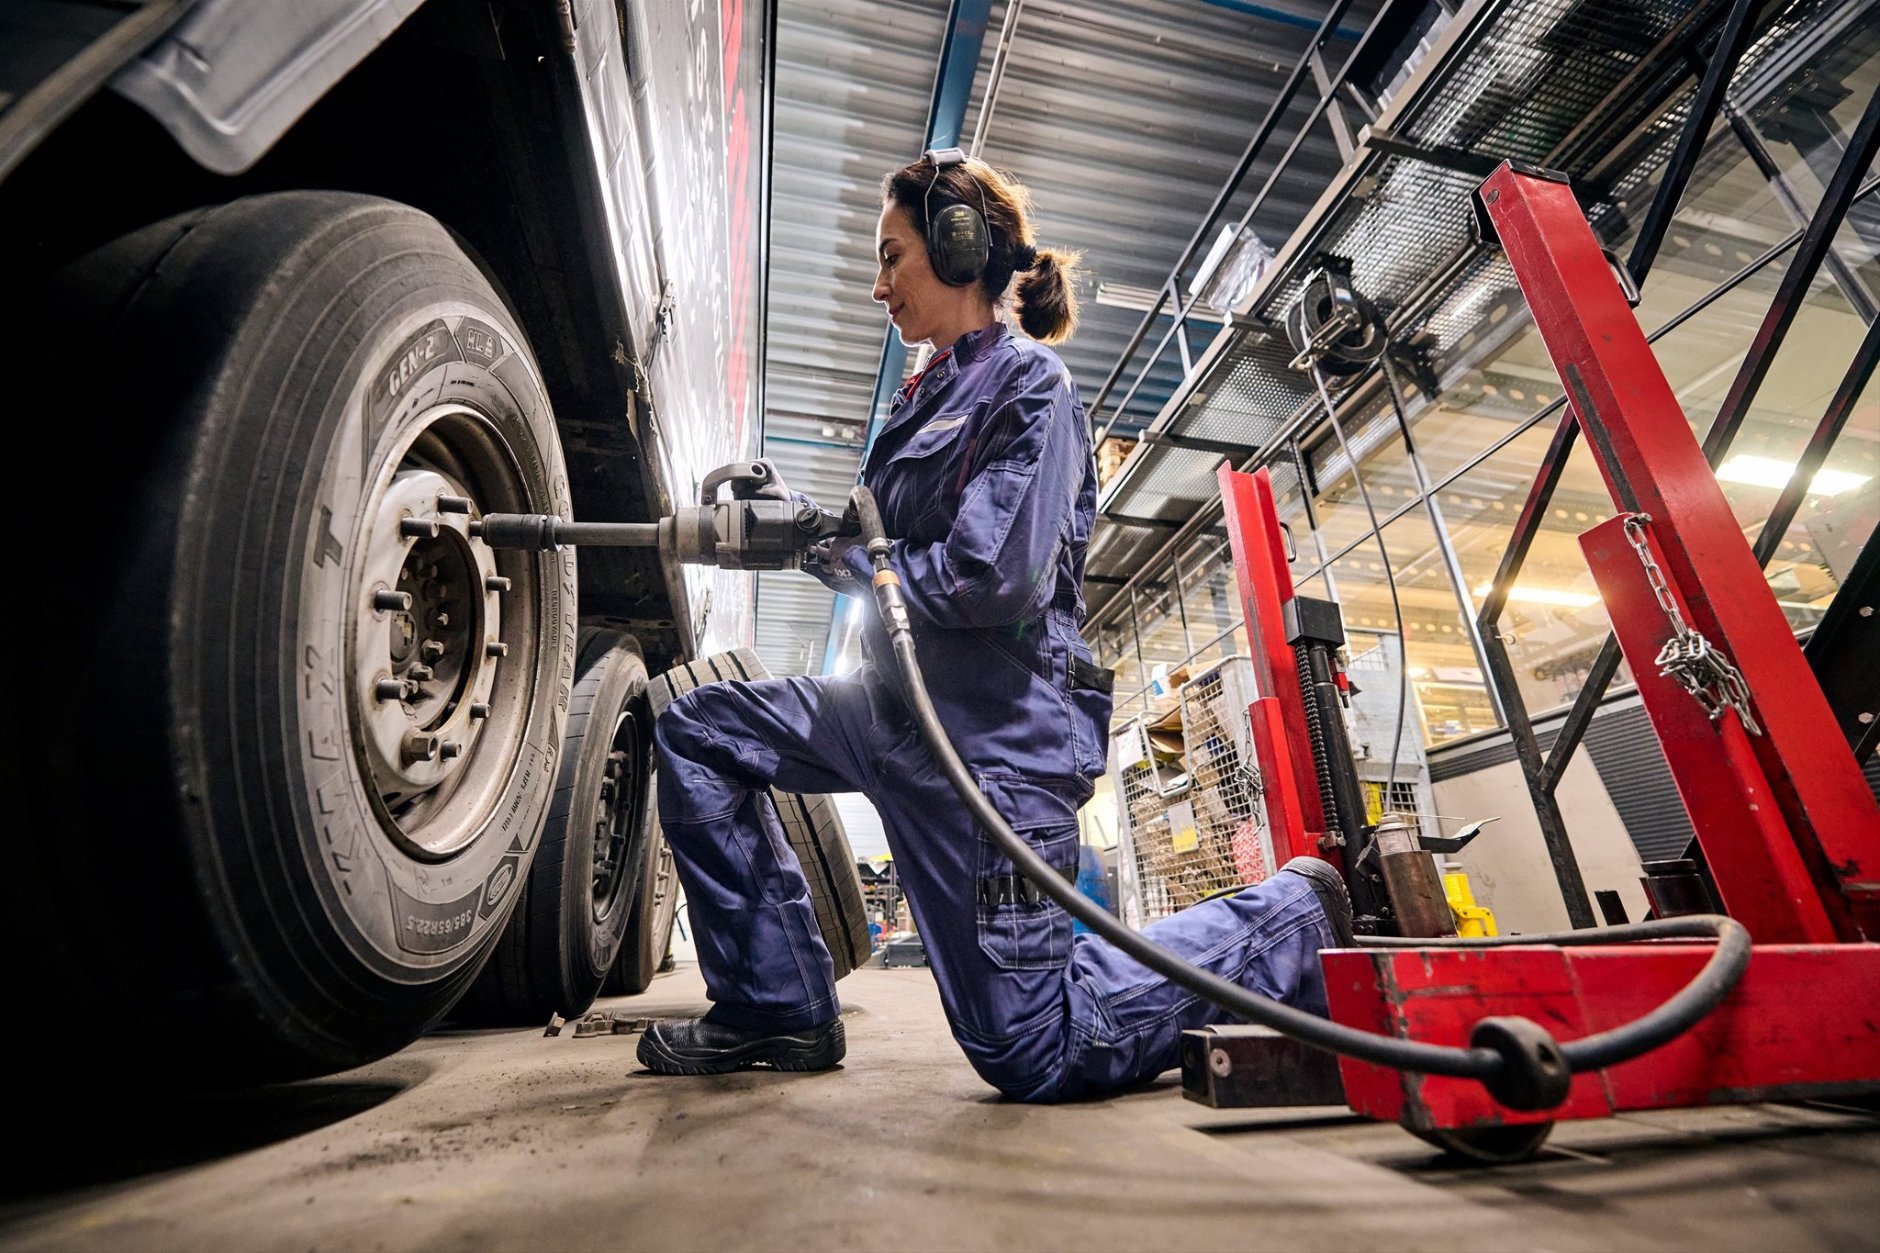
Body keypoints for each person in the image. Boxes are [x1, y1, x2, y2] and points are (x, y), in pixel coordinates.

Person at [640, 151, 1353, 1100]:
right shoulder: (927, 395)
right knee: (699, 728)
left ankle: (1297, 914)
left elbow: (990, 577)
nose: (880, 282)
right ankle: (775, 1005)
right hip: (895, 710)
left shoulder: (1032, 389)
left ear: (957, 245)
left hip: (989, 744)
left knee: (1034, 1050)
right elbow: (883, 539)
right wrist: (805, 522)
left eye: (893, 256)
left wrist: (845, 554)